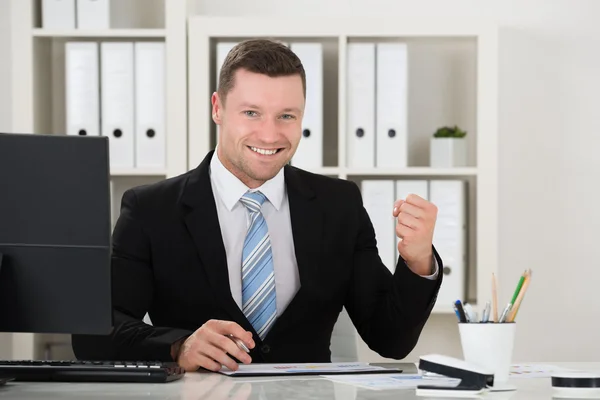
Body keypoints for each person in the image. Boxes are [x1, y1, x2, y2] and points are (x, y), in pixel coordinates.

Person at [72, 39, 443, 373]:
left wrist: (418, 262)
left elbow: (390, 339)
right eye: (251, 113)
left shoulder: (339, 205)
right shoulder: (151, 210)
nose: (270, 134)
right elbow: (94, 333)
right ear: (218, 108)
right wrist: (177, 346)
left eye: (287, 116)